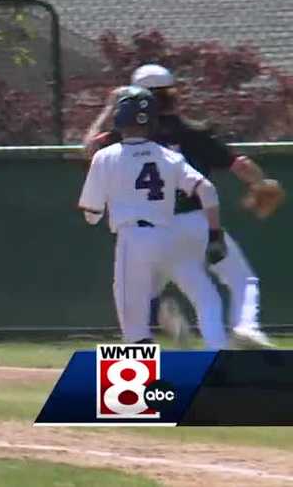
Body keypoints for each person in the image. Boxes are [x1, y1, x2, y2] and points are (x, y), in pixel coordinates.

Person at [82, 64, 278, 348]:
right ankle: (243, 328)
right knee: (237, 281)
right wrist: (261, 182)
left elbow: (89, 148)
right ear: (172, 95)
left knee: (149, 296)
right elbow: (239, 165)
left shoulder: (122, 138)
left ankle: (161, 333)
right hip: (197, 220)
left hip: (148, 229)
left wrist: (109, 106)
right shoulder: (190, 133)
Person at [79, 87, 227, 349]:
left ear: (120, 119)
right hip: (168, 236)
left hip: (133, 239)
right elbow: (207, 190)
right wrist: (215, 235)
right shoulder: (170, 157)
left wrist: (99, 213)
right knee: (201, 294)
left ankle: (141, 386)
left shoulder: (106, 156)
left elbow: (91, 212)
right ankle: (197, 343)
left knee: (132, 320)